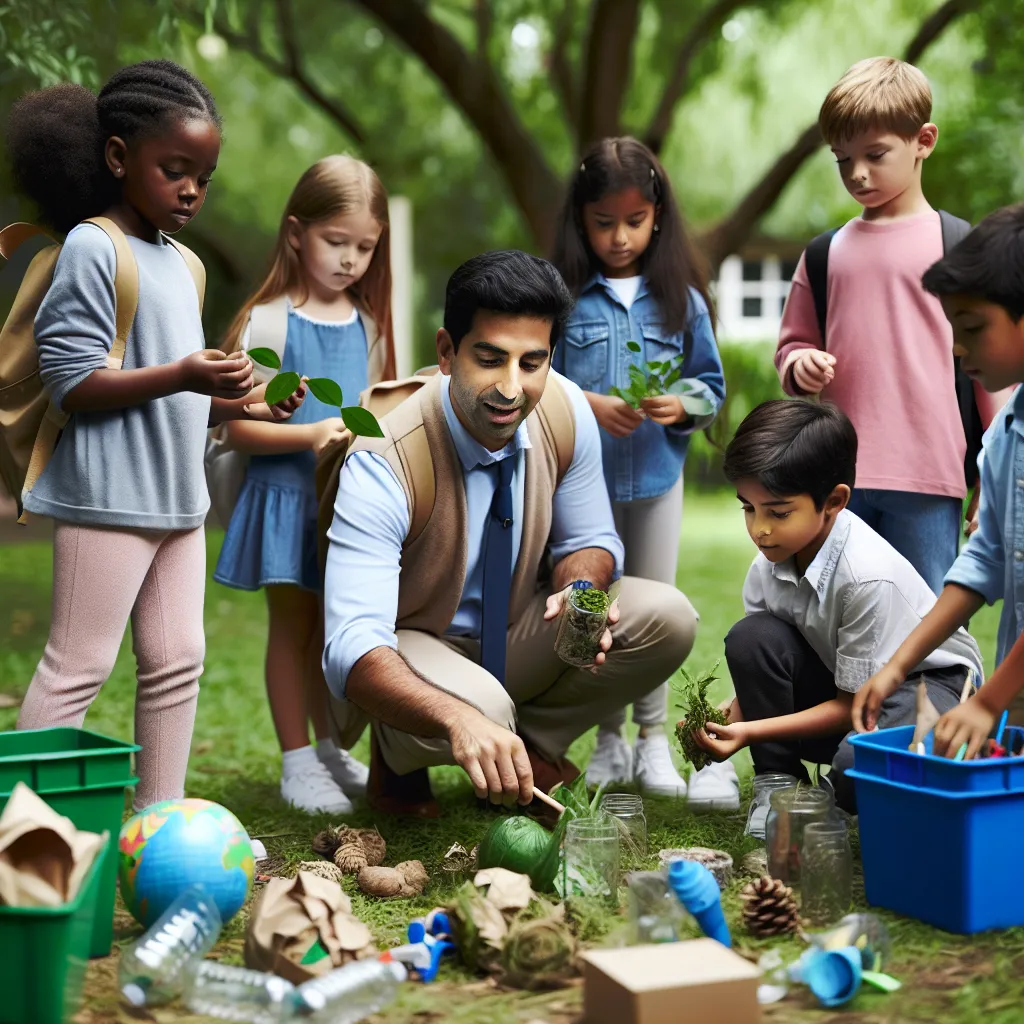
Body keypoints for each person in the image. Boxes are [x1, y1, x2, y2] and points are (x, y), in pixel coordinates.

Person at [11, 61, 304, 809]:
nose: (191, 192)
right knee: (78, 665)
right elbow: (77, 382)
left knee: (177, 661)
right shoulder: (93, 248)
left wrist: (243, 407)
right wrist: (182, 374)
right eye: (175, 171)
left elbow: (177, 398)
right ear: (118, 157)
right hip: (107, 498)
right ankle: (21, 834)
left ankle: (157, 827)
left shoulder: (187, 267)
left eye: (203, 178)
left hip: (178, 502)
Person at [321, 250, 698, 817]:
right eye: (490, 359)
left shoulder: (567, 408)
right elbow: (352, 647)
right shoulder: (383, 459)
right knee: (483, 707)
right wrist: (458, 717)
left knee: (667, 617)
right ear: (447, 352)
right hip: (417, 644)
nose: (510, 387)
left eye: (531, 362)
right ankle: (401, 751)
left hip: (516, 632)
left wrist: (580, 589)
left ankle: (528, 750)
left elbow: (591, 540)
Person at [774, 57, 1009, 595]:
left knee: (924, 623)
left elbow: (993, 371)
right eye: (843, 159)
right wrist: (799, 363)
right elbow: (792, 346)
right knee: (837, 624)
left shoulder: (961, 248)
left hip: (930, 476)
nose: (857, 172)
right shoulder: (824, 254)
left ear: (923, 140)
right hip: (837, 478)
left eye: (875, 155)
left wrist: (992, 477)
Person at [693, 400, 983, 812]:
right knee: (751, 637)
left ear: (834, 501)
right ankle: (777, 787)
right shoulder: (767, 568)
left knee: (855, 770)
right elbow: (764, 667)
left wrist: (749, 730)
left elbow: (851, 706)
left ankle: (825, 801)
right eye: (748, 508)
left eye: (778, 512)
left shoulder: (865, 576)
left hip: (927, 685)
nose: (759, 528)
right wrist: (727, 718)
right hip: (851, 685)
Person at [213, 156, 394, 814]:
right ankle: (296, 761)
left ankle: (328, 749)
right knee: (291, 630)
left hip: (346, 505)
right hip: (286, 500)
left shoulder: (369, 327)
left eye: (364, 247)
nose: (350, 260)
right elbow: (234, 428)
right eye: (335, 241)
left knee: (332, 629)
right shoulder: (269, 323)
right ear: (296, 233)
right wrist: (310, 437)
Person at [551, 137, 728, 805]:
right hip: (584, 487)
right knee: (595, 607)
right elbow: (540, 383)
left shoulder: (680, 298)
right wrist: (588, 404)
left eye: (633, 221)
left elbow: (708, 383)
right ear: (581, 219)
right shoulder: (565, 298)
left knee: (653, 605)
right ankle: (608, 740)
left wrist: (679, 402)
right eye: (603, 223)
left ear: (657, 214)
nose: (619, 237)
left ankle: (654, 737)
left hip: (657, 479)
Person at [854, 205, 1024, 758]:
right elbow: (985, 560)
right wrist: (898, 664)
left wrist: (987, 699)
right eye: (953, 328)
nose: (957, 348)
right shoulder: (1003, 435)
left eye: (973, 328)